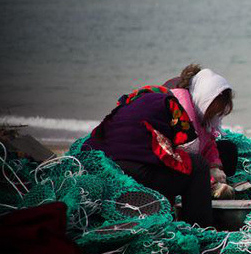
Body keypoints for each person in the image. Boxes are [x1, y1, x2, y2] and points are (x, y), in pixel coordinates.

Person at [83, 85, 213, 227]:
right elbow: (191, 146)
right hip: (138, 171)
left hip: (107, 169)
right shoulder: (167, 101)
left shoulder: (125, 105)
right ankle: (199, 228)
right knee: (198, 165)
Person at [163, 65, 238, 199]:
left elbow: (209, 143)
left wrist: (216, 168)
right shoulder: (183, 110)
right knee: (198, 164)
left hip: (195, 158)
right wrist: (212, 182)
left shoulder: (201, 109)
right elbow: (185, 156)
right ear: (206, 99)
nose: (216, 115)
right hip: (170, 162)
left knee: (228, 149)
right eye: (215, 110)